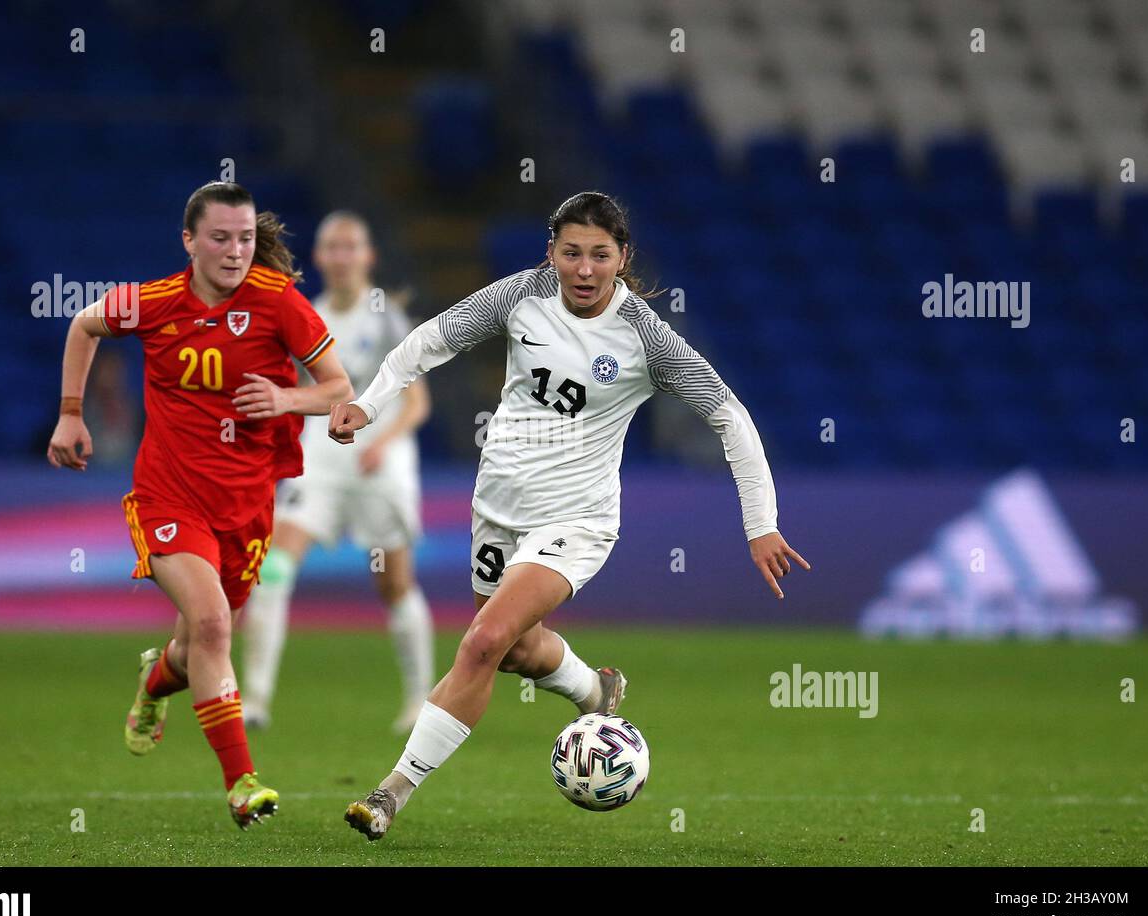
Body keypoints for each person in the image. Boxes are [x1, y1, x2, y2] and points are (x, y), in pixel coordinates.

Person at [330, 191, 809, 841]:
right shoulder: (520, 295)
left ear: (623, 258)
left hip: (577, 520)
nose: (584, 269)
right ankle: (594, 689)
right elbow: (429, 342)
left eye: (600, 255)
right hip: (496, 510)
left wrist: (761, 523)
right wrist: (370, 401)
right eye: (572, 253)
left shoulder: (644, 335)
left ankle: (390, 794)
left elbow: (730, 417)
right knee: (515, 651)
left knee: (482, 641)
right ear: (552, 252)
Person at [46, 181, 353, 829]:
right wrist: (71, 415)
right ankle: (242, 783)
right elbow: (83, 323)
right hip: (169, 494)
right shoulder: (156, 302)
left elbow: (338, 390)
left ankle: (155, 682)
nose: (236, 250)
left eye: (244, 238)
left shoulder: (279, 303)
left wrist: (286, 400)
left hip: (247, 505)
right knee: (214, 625)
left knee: (199, 642)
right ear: (189, 241)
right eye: (220, 238)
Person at [242, 211, 434, 734]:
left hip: (381, 465)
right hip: (321, 462)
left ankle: (421, 702)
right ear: (321, 257)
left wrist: (385, 441)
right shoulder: (309, 316)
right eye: (333, 246)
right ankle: (255, 701)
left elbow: (416, 401)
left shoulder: (386, 316)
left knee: (394, 585)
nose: (343, 256)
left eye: (352, 246)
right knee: (274, 570)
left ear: (367, 257)